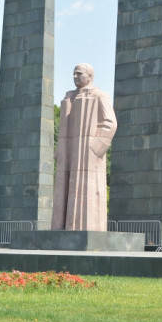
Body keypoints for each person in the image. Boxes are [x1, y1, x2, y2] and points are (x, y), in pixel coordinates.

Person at [51, 63, 117, 231]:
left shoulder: (99, 95)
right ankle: (61, 227)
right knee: (63, 188)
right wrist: (60, 150)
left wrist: (94, 149)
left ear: (90, 76)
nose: (75, 77)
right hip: (69, 150)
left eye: (78, 74)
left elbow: (110, 123)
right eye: (73, 74)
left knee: (86, 191)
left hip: (87, 153)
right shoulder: (69, 96)